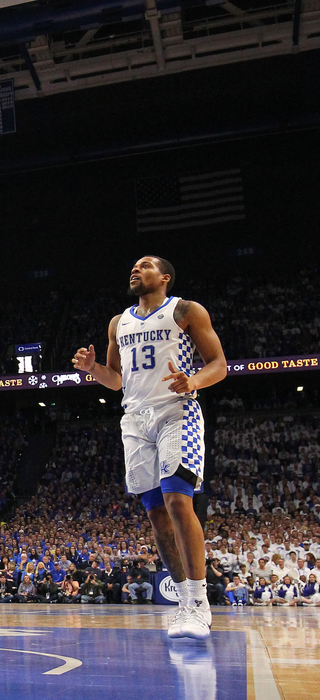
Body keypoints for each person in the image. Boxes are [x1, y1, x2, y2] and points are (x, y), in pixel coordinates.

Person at [73, 256, 227, 640]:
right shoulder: (118, 322)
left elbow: (220, 364)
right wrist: (94, 369)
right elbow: (116, 380)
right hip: (135, 421)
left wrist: (192, 381)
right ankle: (184, 605)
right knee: (157, 516)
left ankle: (198, 601)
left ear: (165, 277)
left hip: (177, 412)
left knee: (178, 502)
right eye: (133, 266)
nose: (135, 270)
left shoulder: (185, 310)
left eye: (145, 266)